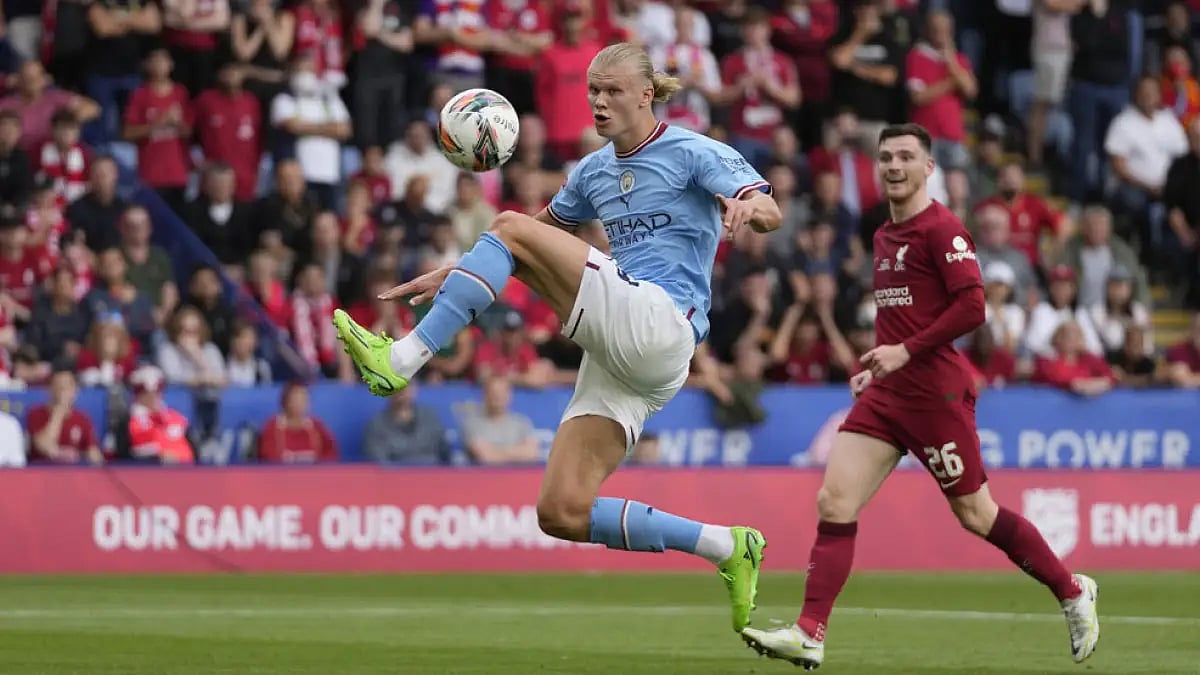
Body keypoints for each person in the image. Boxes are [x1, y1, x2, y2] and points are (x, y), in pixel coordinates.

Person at [333, 41, 781, 633]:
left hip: (661, 322)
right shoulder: (593, 172)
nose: (598, 101)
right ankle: (727, 547)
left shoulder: (692, 151)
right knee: (562, 511)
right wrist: (455, 271)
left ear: (646, 94)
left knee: (509, 227)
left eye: (612, 90)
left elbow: (767, 204)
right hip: (627, 355)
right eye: (592, 90)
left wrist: (750, 209)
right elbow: (526, 241)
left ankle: (402, 360)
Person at [740, 124, 1100, 669]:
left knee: (976, 515)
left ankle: (1072, 589)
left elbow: (971, 307)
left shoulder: (943, 229)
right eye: (886, 157)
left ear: (929, 167)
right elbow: (905, 314)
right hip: (888, 395)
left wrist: (904, 352)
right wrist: (879, 367)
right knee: (834, 501)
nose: (894, 165)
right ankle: (810, 631)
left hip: (936, 394)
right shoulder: (885, 235)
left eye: (907, 156)